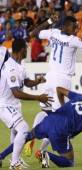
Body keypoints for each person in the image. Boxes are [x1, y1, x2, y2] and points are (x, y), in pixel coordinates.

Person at [25, 15, 82, 156]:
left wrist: (49, 21)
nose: (76, 28)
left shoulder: (53, 33)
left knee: (46, 112)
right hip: (62, 81)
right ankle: (42, 150)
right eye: (73, 25)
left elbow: (33, 33)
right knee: (59, 119)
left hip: (49, 77)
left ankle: (32, 137)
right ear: (64, 26)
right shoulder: (73, 40)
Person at [0, 87, 82, 168]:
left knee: (26, 137)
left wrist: (63, 106)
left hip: (50, 120)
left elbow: (59, 89)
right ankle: (45, 154)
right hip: (61, 131)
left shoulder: (81, 97)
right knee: (69, 162)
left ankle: (1, 156)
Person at [0, 39, 52, 170]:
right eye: (26, 48)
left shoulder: (20, 65)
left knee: (15, 131)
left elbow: (27, 82)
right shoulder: (11, 67)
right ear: (21, 50)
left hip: (14, 104)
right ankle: (14, 163)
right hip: (5, 105)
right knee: (23, 128)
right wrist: (38, 97)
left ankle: (15, 159)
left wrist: (37, 81)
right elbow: (16, 92)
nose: (27, 50)